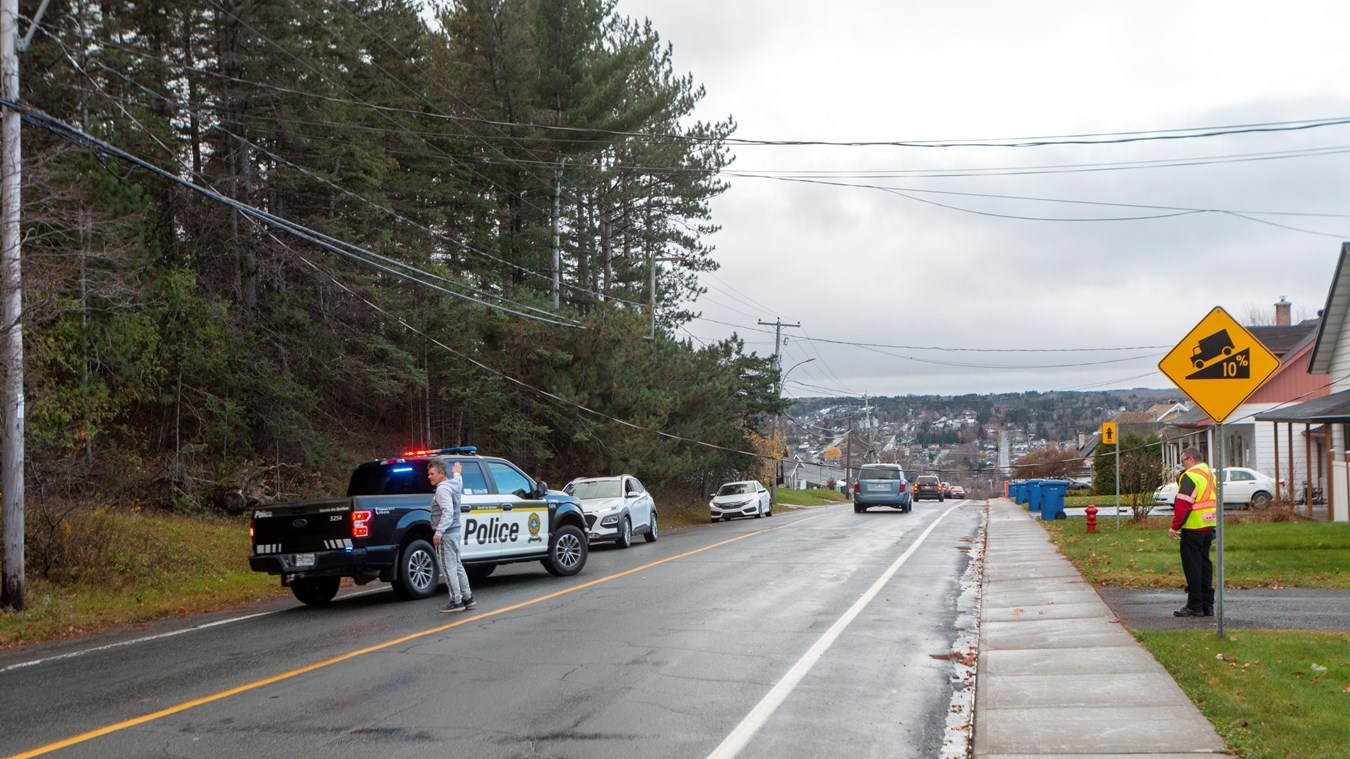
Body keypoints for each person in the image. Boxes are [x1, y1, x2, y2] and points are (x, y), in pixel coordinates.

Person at [1169, 447, 1217, 617]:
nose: (1183, 465)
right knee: (1205, 565)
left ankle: (1194, 605)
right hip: (1209, 524)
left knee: (1193, 567)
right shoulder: (1209, 474)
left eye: (1183, 461)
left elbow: (1183, 504)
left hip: (1193, 527)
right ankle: (1207, 605)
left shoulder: (1190, 476)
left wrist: (1174, 527)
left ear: (1190, 459)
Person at [428, 458, 476, 613]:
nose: (429, 477)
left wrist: (439, 532)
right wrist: (457, 473)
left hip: (447, 534)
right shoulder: (454, 484)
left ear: (441, 474)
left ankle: (456, 601)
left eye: (432, 474)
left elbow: (447, 512)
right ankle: (468, 598)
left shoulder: (442, 489)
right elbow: (459, 481)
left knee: (448, 568)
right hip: (455, 532)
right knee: (457, 565)